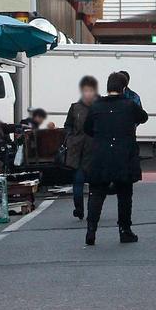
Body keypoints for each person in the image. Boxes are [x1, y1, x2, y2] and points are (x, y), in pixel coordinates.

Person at [82, 72, 149, 246]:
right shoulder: (129, 105)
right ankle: (124, 230)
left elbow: (87, 128)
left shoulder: (96, 106)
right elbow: (144, 117)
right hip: (123, 155)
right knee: (125, 194)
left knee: (96, 193)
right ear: (124, 88)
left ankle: (91, 230)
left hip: (100, 155)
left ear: (107, 87)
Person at [62, 76, 98, 220]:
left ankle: (91, 210)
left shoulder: (99, 107)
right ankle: (79, 208)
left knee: (94, 184)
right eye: (85, 91)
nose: (87, 93)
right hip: (77, 149)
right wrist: (69, 137)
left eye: (90, 91)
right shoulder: (75, 107)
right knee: (78, 181)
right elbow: (68, 125)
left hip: (94, 149)